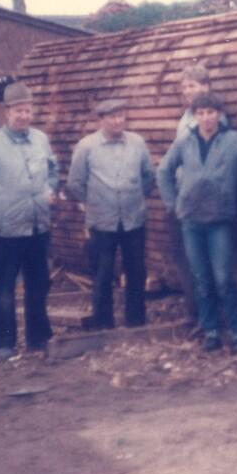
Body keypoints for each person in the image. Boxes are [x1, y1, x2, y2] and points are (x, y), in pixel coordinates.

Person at [157, 91, 237, 352]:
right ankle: (211, 331)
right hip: (190, 221)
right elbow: (163, 171)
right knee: (201, 277)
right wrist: (172, 204)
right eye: (201, 113)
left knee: (223, 277)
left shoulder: (233, 141)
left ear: (219, 115)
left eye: (211, 113)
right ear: (195, 116)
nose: (206, 118)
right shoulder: (185, 142)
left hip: (219, 220)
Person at [0, 81, 59, 360]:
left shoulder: (41, 139)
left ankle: (38, 339)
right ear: (7, 112)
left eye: (28, 110)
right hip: (5, 231)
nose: (24, 116)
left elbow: (53, 169)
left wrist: (51, 191)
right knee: (4, 288)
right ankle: (4, 345)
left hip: (37, 227)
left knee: (39, 285)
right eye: (19, 110)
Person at [66, 97, 156, 330]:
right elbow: (75, 183)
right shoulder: (86, 146)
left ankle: (136, 320)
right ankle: (104, 322)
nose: (118, 121)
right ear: (101, 120)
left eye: (121, 116)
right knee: (102, 273)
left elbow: (149, 176)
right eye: (112, 117)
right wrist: (94, 202)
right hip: (101, 222)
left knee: (136, 270)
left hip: (133, 219)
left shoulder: (137, 143)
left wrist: (135, 196)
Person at [167, 63, 226, 327]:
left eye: (192, 85)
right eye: (184, 87)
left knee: (205, 264)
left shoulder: (213, 120)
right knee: (185, 259)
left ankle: (206, 318)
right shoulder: (186, 117)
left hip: (201, 203)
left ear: (206, 86)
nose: (187, 92)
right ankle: (196, 314)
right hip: (183, 197)